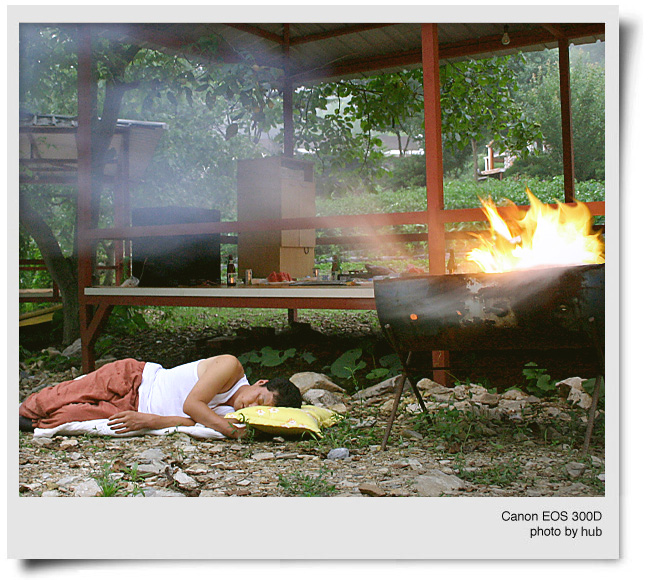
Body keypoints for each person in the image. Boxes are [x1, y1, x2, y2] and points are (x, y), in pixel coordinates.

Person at [19, 354, 302, 439]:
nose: (250, 405)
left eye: (259, 409)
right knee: (45, 403)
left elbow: (190, 422)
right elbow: (193, 406)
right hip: (135, 378)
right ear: (260, 383)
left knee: (63, 418)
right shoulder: (230, 367)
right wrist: (231, 431)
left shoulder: (233, 417)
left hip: (137, 409)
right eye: (259, 399)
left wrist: (150, 421)